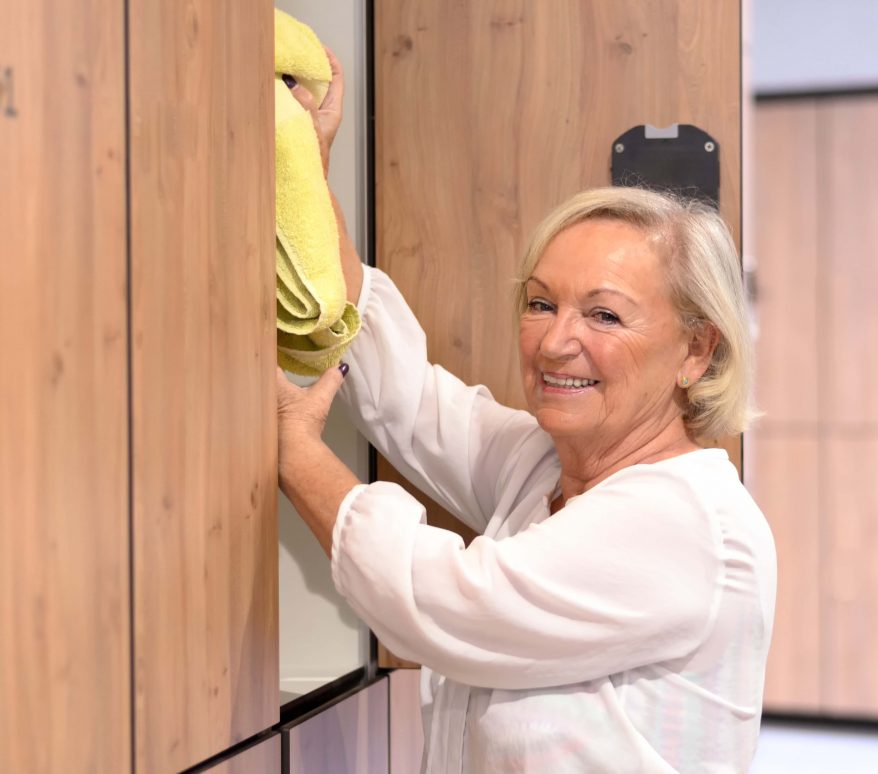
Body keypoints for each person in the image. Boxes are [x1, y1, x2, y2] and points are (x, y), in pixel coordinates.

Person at [278, 55, 776, 774]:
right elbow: (406, 394)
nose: (555, 340)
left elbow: (445, 601)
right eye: (541, 303)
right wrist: (308, 173)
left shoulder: (686, 524)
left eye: (604, 314)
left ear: (697, 351)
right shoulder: (546, 466)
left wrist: (296, 450)